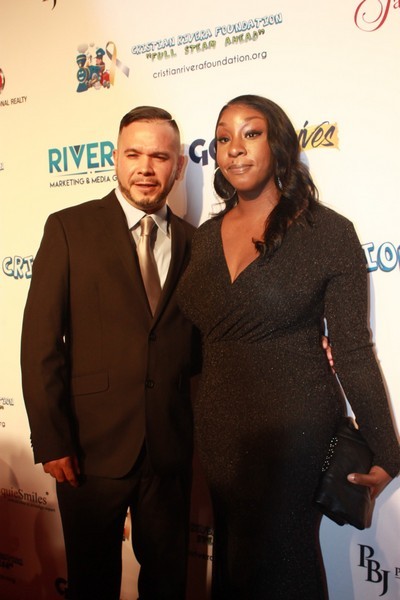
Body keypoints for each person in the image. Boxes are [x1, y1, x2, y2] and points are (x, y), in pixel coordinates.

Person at [177, 94, 400, 599]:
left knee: (282, 562)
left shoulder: (327, 232)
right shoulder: (204, 238)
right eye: (223, 137)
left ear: (278, 143)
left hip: (294, 427)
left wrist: (386, 448)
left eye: (251, 133)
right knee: (233, 560)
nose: (235, 148)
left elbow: (353, 348)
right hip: (219, 429)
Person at [21, 106, 199, 600]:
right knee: (91, 583)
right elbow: (40, 344)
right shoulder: (68, 228)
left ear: (178, 166)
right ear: (115, 158)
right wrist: (52, 439)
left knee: (167, 584)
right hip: (88, 448)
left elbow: (204, 343)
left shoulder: (195, 242)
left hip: (168, 448)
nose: (146, 168)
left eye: (160, 156)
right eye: (134, 154)